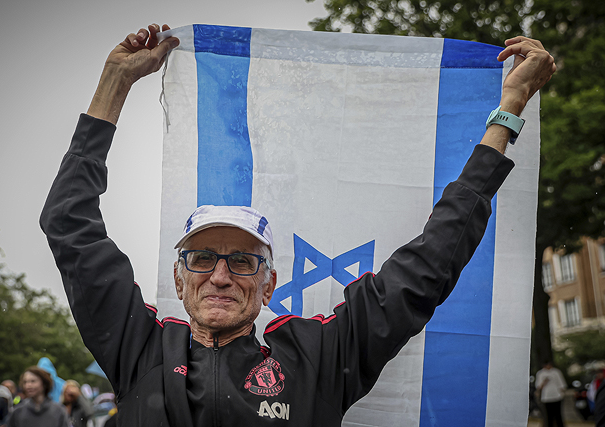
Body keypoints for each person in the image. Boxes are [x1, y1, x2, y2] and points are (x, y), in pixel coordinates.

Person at [40, 23, 556, 426]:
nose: (220, 276)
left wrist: (508, 110)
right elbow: (67, 221)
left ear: (270, 285)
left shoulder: (320, 356)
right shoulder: (139, 346)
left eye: (242, 261)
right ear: (178, 277)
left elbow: (432, 261)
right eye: (202, 258)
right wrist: (115, 81)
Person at [536, 361, 567, 427]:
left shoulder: (556, 372)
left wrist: (562, 393)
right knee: (549, 416)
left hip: (557, 396)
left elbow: (561, 384)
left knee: (558, 415)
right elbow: (539, 386)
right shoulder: (540, 373)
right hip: (547, 397)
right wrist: (544, 382)